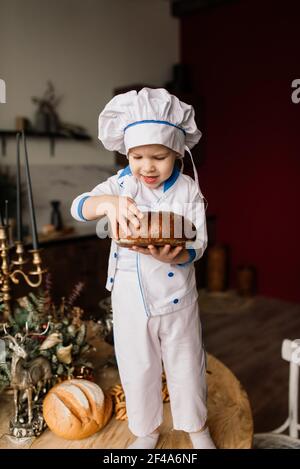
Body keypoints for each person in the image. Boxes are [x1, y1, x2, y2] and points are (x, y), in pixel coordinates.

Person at [70, 88, 216, 449]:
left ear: (177, 153)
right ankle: (146, 431)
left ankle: (197, 428)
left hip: (177, 296)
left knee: (186, 366)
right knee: (138, 368)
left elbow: (199, 245)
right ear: (126, 153)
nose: (147, 167)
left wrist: (177, 257)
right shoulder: (121, 185)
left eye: (159, 156)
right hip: (130, 298)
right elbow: (79, 206)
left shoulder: (187, 191)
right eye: (137, 156)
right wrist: (105, 202)